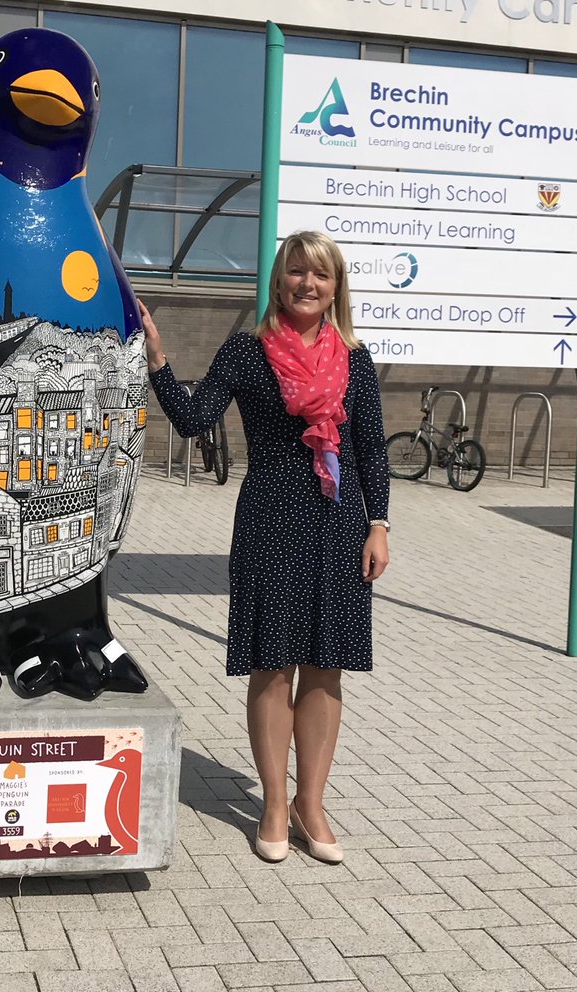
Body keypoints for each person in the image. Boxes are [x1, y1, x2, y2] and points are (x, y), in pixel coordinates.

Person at [139, 230, 390, 864]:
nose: (309, 284)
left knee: (326, 667)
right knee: (273, 662)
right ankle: (275, 804)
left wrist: (379, 525)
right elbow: (197, 420)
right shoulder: (249, 353)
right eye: (298, 272)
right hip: (271, 517)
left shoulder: (354, 361)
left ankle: (313, 804)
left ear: (337, 288)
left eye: (322, 275)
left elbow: (371, 451)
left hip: (339, 522)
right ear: (279, 281)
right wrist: (158, 361)